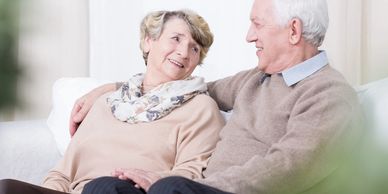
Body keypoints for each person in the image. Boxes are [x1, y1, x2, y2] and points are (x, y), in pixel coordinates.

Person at [68, 0, 364, 193]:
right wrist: (113, 88)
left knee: (168, 190)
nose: (249, 36)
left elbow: (288, 168)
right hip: (199, 189)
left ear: (294, 31)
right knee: (105, 187)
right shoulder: (257, 79)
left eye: (257, 24)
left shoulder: (329, 96)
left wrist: (194, 184)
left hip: (227, 191)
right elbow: (188, 90)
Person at [0, 9, 225, 194]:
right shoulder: (105, 103)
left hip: (131, 190)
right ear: (148, 41)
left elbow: (192, 176)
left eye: (195, 48)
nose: (184, 52)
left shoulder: (200, 108)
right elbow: (62, 173)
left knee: (104, 187)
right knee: (7, 188)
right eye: (176, 39)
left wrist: (150, 179)